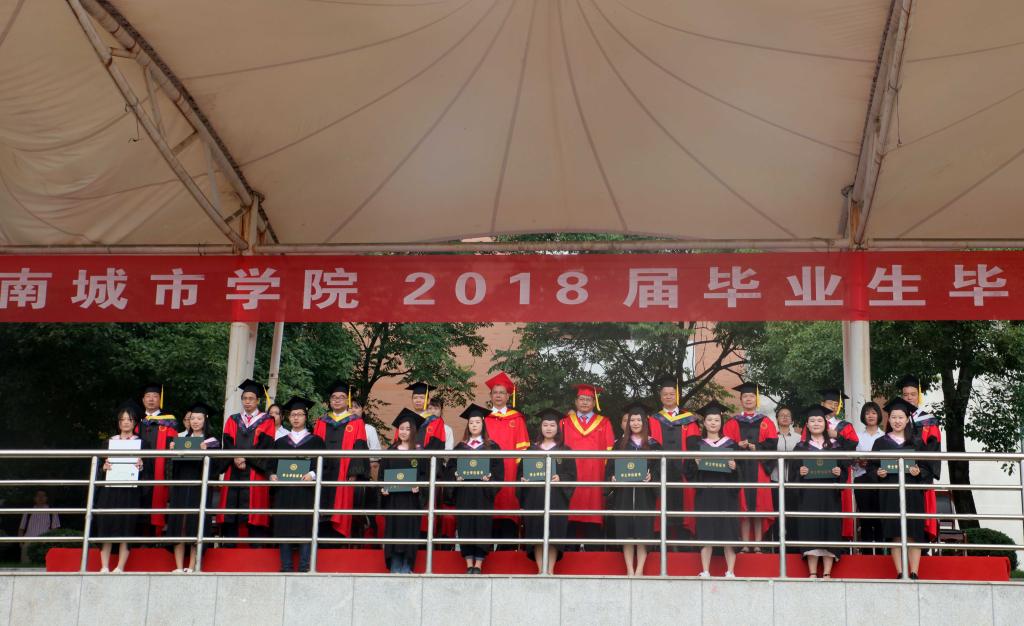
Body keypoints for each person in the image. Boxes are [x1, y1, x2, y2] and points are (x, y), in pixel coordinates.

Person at [868, 398, 937, 579]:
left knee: (914, 533)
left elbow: (927, 468)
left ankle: (914, 572)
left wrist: (919, 472)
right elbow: (871, 468)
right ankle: (900, 572)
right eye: (893, 417)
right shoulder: (880, 442)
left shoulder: (916, 442)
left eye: (901, 417)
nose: (897, 421)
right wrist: (878, 473)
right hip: (889, 493)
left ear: (907, 420)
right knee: (895, 533)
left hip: (912, 492)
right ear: (888, 420)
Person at [790, 406, 850, 579]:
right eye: (812, 421)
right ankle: (812, 572)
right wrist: (799, 473)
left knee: (830, 528)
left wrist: (839, 473)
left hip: (830, 495)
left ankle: (827, 572)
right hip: (808, 495)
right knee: (810, 528)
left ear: (825, 424)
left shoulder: (835, 446)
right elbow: (792, 474)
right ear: (807, 425)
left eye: (819, 420)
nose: (816, 424)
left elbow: (844, 470)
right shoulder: (800, 447)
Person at [517, 409, 576, 574]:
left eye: (552, 425)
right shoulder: (531, 450)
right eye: (545, 425)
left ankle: (550, 570)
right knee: (536, 533)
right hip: (535, 497)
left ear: (558, 428)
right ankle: (540, 569)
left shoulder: (565, 451)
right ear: (540, 427)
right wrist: (523, 480)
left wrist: (560, 478)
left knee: (553, 534)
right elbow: (521, 474)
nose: (548, 428)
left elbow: (572, 475)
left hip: (557, 498)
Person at [270, 396, 325, 573]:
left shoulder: (316, 441)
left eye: (299, 414)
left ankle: (304, 566)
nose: (296, 418)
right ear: (288, 417)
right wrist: (272, 475)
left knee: (305, 526)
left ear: (305, 417)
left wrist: (312, 474)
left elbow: (324, 464)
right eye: (293, 415)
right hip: (284, 492)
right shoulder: (280, 443)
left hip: (305, 492)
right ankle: (285, 566)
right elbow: (271, 465)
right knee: (284, 525)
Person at [604, 403, 660, 576]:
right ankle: (629, 569)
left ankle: (639, 570)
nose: (635, 423)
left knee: (643, 532)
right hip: (624, 494)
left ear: (645, 422)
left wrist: (652, 477)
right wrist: (612, 478)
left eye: (639, 420)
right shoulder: (620, 444)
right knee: (626, 532)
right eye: (632, 420)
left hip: (645, 494)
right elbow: (610, 468)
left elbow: (660, 469)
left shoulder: (654, 445)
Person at [685, 400, 739, 578]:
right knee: (706, 529)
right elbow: (688, 472)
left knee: (729, 530)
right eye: (709, 420)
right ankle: (705, 570)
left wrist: (734, 467)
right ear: (704, 423)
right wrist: (695, 463)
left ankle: (730, 571)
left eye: (716, 420)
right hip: (706, 493)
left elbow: (741, 472)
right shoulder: (697, 446)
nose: (713, 423)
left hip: (726, 493)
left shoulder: (731, 445)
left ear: (721, 422)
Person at [217, 379, 275, 540]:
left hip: (255, 471)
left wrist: (245, 458)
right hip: (233, 469)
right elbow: (227, 442)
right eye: (244, 398)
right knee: (230, 509)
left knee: (253, 511)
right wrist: (236, 457)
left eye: (251, 398)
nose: (247, 401)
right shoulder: (233, 419)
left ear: (258, 401)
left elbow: (266, 445)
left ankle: (255, 547)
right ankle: (229, 545)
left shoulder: (267, 420)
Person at [723, 382, 777, 552]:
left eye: (751, 396)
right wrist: (737, 445)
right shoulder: (732, 422)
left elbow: (772, 445)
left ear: (756, 399)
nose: (748, 399)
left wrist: (757, 447)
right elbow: (725, 444)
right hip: (739, 470)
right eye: (745, 396)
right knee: (743, 506)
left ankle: (758, 544)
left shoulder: (766, 422)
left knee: (760, 507)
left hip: (760, 468)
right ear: (741, 400)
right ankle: (745, 544)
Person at [313, 379, 369, 544]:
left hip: (344, 473)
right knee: (321, 507)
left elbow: (360, 447)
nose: (337, 400)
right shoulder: (321, 421)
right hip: (323, 472)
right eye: (334, 397)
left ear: (347, 400)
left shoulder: (356, 422)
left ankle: (338, 543)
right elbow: (314, 448)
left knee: (340, 507)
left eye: (341, 397)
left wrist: (354, 472)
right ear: (330, 401)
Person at [560, 383, 616, 549]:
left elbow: (610, 454)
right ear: (575, 401)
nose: (585, 402)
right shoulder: (564, 423)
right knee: (570, 515)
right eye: (581, 399)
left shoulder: (604, 423)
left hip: (595, 479)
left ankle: (594, 553)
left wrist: (606, 479)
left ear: (594, 402)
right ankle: (569, 553)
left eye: (588, 399)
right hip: (571, 479)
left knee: (593, 515)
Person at [450, 403, 504, 574]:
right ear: (468, 425)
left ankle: (478, 564)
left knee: (482, 525)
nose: (474, 425)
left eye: (477, 422)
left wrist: (490, 478)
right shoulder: (460, 447)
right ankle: (468, 563)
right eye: (471, 422)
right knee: (465, 524)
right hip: (464, 492)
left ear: (483, 424)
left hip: (483, 493)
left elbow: (498, 471)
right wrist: (456, 476)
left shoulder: (492, 447)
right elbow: (450, 469)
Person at [646, 374, 700, 543]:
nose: (668, 397)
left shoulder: (689, 419)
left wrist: (689, 466)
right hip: (660, 472)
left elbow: (694, 446)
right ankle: (663, 545)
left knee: (685, 508)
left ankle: (684, 545)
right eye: (665, 394)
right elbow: (650, 445)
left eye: (671, 394)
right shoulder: (653, 420)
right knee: (661, 507)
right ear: (661, 397)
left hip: (683, 472)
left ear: (677, 396)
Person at [167, 402, 220, 573]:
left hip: (200, 488)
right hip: (181, 487)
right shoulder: (181, 440)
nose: (195, 421)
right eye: (192, 418)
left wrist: (207, 451)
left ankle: (192, 566)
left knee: (196, 524)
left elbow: (217, 467)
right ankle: (178, 566)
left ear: (205, 420)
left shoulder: (212, 442)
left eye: (199, 418)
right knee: (180, 525)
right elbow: (174, 467)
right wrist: (172, 451)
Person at [95, 402, 146, 573]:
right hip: (109, 490)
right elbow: (97, 468)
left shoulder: (142, 444)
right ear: (118, 422)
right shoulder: (108, 443)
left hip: (130, 491)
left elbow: (149, 470)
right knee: (106, 525)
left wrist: (141, 466)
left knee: (127, 525)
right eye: (122, 419)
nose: (125, 422)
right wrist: (103, 468)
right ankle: (104, 566)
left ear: (135, 422)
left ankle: (120, 566)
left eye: (129, 419)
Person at [482, 372, 530, 547]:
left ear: (508, 396)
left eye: (502, 392)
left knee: (508, 511)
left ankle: (507, 552)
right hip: (487, 472)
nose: (498, 396)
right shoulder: (483, 418)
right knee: (487, 510)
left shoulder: (517, 419)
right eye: (495, 392)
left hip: (510, 473)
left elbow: (523, 452)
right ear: (490, 396)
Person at [380, 408, 426, 574]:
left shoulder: (420, 452)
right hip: (393, 501)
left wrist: (419, 486)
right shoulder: (391, 451)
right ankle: (395, 566)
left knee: (409, 533)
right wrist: (383, 489)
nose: (404, 432)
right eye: (401, 428)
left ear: (413, 431)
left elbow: (425, 475)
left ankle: (407, 566)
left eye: (408, 429)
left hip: (411, 501)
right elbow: (382, 476)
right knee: (393, 533)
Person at [898, 374, 941, 541]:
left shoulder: (929, 421)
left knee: (920, 519)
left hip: (921, 476)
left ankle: (922, 548)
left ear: (919, 396)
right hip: (900, 475)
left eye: (913, 394)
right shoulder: (897, 419)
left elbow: (933, 450)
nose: (909, 398)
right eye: (905, 395)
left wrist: (922, 471)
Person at [814, 388, 859, 541]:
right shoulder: (813, 423)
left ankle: (842, 539)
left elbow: (853, 446)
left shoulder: (845, 426)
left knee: (842, 504)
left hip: (839, 471)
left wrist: (837, 436)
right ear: (822, 404)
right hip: (817, 471)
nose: (833, 406)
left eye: (836, 404)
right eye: (830, 403)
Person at [136, 382, 178, 537]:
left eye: (155, 396)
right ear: (143, 400)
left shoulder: (169, 421)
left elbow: (173, 446)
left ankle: (153, 540)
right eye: (148, 396)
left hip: (159, 470)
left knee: (156, 501)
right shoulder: (136, 420)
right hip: (138, 469)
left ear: (160, 400)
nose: (151, 399)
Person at [853, 402, 885, 553]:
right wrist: (858, 461)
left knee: (880, 518)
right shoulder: (857, 437)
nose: (870, 416)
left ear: (878, 415)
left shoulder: (885, 436)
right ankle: (866, 553)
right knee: (865, 517)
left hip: (881, 480)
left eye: (873, 413)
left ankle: (880, 553)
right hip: (862, 478)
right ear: (863, 416)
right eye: (867, 413)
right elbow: (851, 460)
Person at [18, 490, 60, 564]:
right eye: (38, 496)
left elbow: (55, 530)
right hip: (28, 542)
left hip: (45, 543)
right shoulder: (28, 511)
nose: (40, 498)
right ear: (34, 498)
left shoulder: (52, 512)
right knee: (26, 566)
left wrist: (52, 544)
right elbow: (21, 529)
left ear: (47, 498)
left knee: (44, 567)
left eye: (43, 496)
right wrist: (21, 544)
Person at [407, 382, 446, 449]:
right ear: (412, 400)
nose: (418, 400)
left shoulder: (437, 423)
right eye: (415, 398)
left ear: (428, 401)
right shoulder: (406, 420)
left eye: (422, 398)